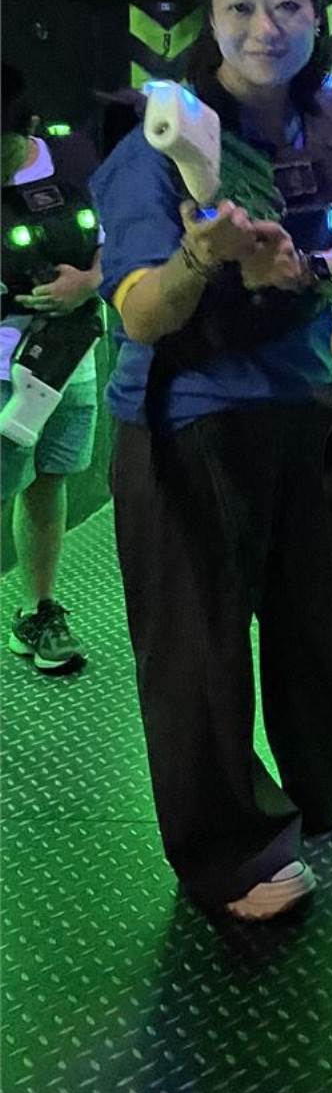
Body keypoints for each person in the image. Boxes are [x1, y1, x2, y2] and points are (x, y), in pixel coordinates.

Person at [91, 0, 332, 921]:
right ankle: (230, 852)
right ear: (208, 21)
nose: (264, 28)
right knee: (197, 652)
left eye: (286, 4)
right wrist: (202, 256)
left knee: (321, 631)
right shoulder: (154, 139)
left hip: (309, 408)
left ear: (317, 14)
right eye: (240, 7)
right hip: (189, 425)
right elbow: (138, 312)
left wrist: (309, 271)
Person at [2, 65, 101, 674]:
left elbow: (116, 239)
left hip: (67, 355)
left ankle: (37, 612)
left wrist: (88, 283)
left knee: (48, 479)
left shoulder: (74, 162)